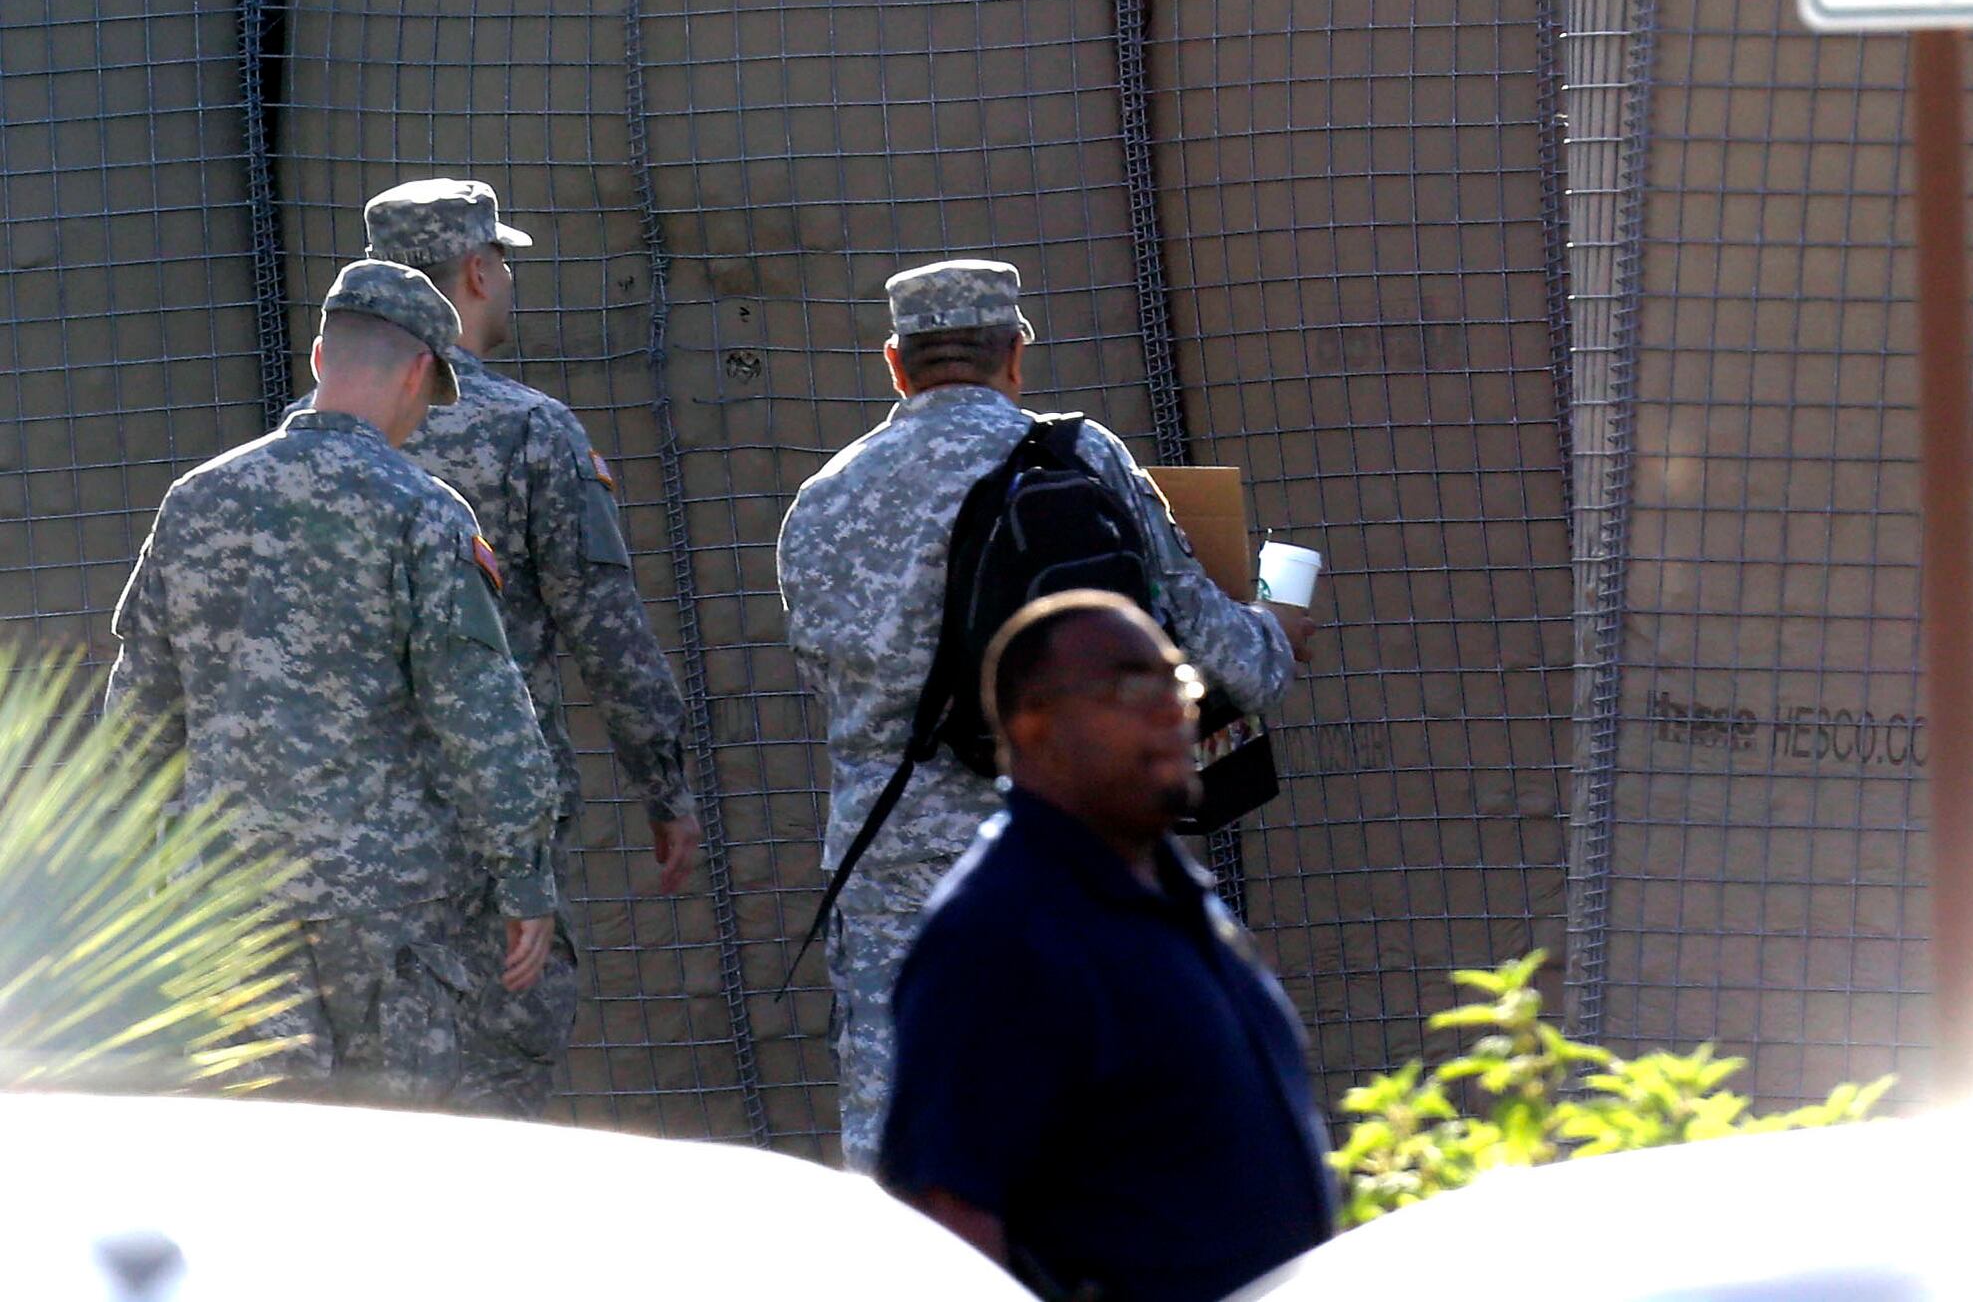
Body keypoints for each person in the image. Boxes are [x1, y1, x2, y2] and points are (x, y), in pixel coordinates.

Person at [776, 257, 1303, 1172]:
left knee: (899, 1126)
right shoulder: (1077, 460)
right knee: (1091, 1121)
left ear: (896, 366)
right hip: (1059, 854)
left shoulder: (821, 502)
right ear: (1015, 355)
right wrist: (1278, 626)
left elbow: (834, 689)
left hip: (888, 866)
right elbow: (1230, 659)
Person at [106, 259, 563, 1109]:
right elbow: (481, 714)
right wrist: (523, 873)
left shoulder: (195, 501)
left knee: (262, 1165)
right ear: (424, 371)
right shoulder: (423, 512)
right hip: (387, 911)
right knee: (391, 1160)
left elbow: (136, 716)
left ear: (320, 358)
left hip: (231, 906)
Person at [347, 176, 698, 1116]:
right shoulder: (528, 430)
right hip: (492, 835)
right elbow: (604, 624)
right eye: (500, 260)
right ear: (472, 272)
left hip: (337, 847)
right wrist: (665, 786)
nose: (505, 279)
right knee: (494, 1102)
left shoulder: (310, 439)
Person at [879, 593, 1336, 1301]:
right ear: (1034, 726)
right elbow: (949, 1231)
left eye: (1177, 682)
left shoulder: (1179, 900)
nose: (1172, 710)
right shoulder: (998, 932)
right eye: (1131, 685)